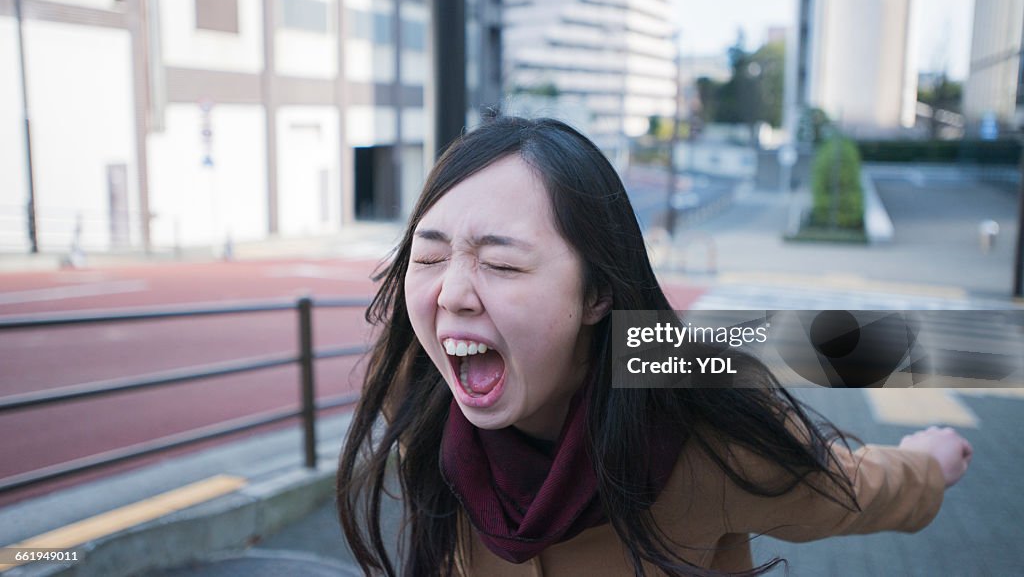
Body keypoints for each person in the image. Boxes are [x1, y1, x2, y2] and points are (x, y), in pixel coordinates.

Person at [337, 116, 972, 576]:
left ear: (597, 295)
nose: (451, 293)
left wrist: (929, 466)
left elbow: (844, 488)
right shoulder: (419, 392)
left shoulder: (699, 421)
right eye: (429, 255)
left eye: (501, 265)